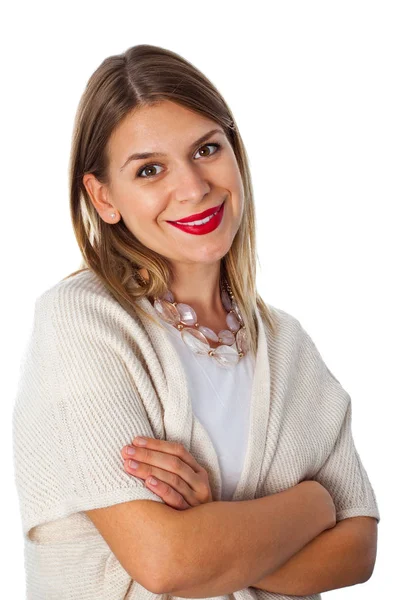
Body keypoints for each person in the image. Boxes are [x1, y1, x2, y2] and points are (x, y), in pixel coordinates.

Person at [12, 44, 380, 600]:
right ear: (103, 197)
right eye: (150, 169)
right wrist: (314, 505)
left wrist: (216, 532)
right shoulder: (82, 323)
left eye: (207, 149)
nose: (193, 187)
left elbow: (358, 550)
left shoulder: (288, 346)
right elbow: (168, 563)